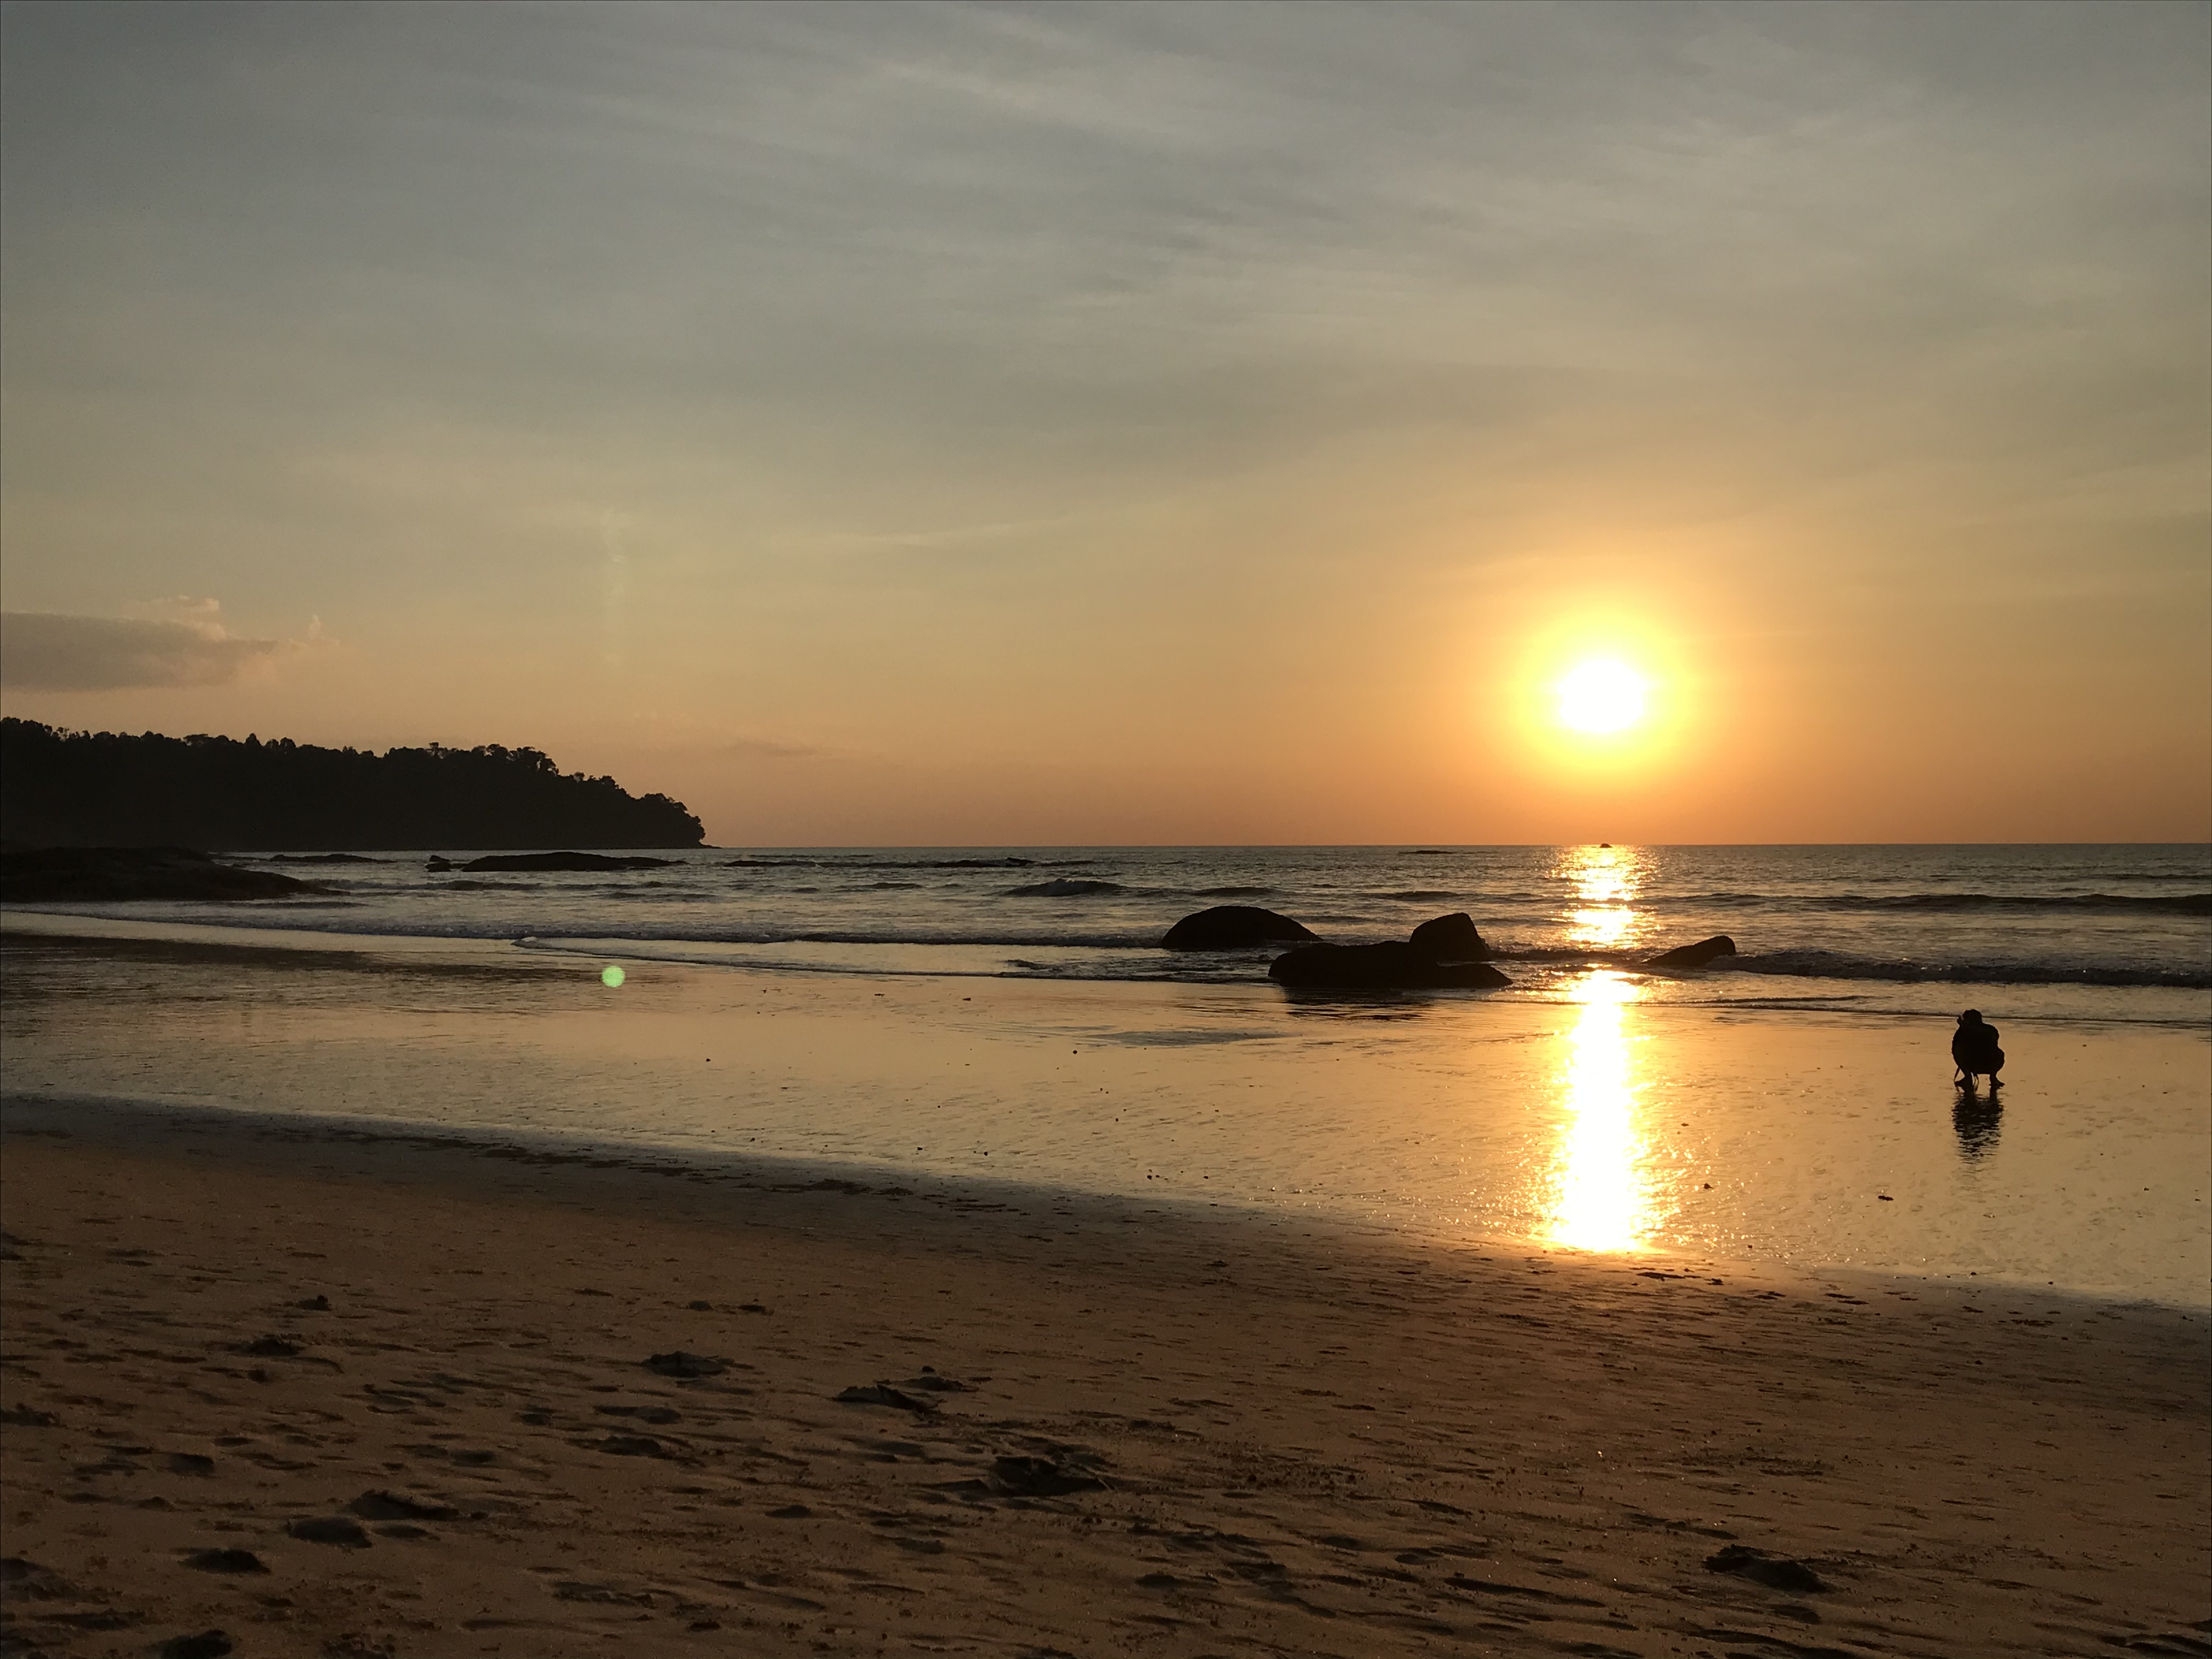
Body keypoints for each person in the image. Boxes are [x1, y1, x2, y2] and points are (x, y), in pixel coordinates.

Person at [1951, 1009, 2004, 1090]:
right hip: (1992, 1063)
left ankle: (1968, 1076)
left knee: (1958, 1050)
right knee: (1999, 1052)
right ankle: (1993, 1077)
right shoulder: (1991, 1029)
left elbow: (1956, 1044)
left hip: (1973, 1063)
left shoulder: (1964, 1031)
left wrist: (1962, 1027)